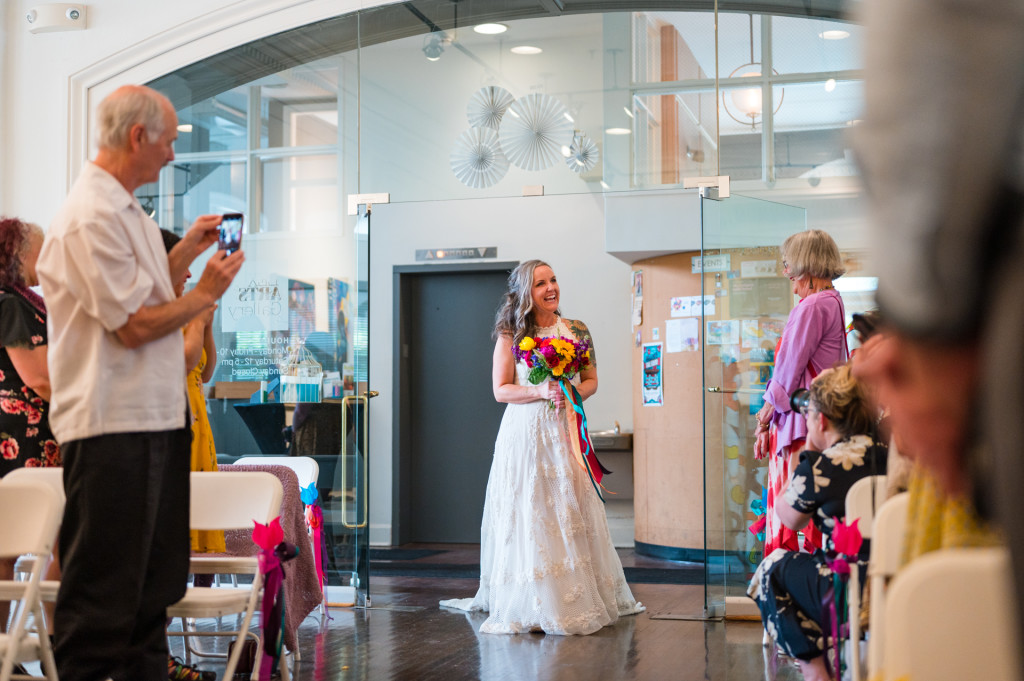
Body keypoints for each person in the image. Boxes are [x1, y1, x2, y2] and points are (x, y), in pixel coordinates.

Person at [36, 84, 244, 681]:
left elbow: (140, 294)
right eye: (170, 141)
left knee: (153, 591)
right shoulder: (90, 217)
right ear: (137, 137)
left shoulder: (124, 209)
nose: (173, 155)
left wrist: (182, 259)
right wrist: (204, 295)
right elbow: (129, 327)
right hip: (111, 426)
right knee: (105, 599)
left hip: (151, 419)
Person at [440, 259, 644, 634]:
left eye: (553, 280)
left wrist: (569, 393)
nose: (551, 288)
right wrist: (540, 390)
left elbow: (591, 380)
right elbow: (500, 390)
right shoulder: (511, 334)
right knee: (531, 508)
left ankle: (580, 590)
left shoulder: (577, 330)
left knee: (569, 506)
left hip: (565, 430)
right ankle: (533, 596)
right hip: (525, 433)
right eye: (540, 283)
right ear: (525, 293)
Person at [748, 365, 887, 681]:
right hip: (890, 584)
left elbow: (789, 517)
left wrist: (807, 453)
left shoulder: (823, 465)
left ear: (820, 420)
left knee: (771, 569)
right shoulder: (889, 454)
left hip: (843, 592)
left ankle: (815, 672)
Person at [754, 229, 848, 556]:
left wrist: (764, 418)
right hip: (819, 419)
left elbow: (788, 371)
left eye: (788, 265)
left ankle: (792, 591)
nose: (786, 274)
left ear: (805, 266)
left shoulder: (811, 307)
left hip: (799, 425)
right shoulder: (833, 301)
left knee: (795, 513)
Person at [0, 217, 62, 652]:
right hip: (23, 438)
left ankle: (52, 642)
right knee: (10, 548)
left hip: (43, 434)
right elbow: (38, 378)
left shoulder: (30, 301)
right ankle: (9, 650)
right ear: (20, 257)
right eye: (43, 248)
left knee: (59, 540)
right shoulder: (10, 304)